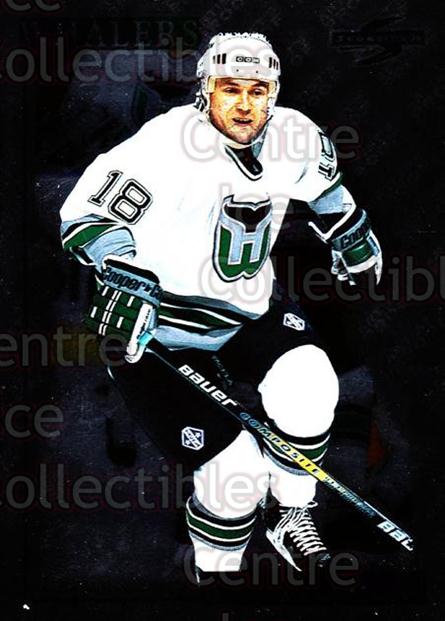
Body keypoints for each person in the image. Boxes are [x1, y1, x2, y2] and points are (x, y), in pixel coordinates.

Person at [59, 32, 382, 581]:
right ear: (205, 90)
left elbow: (323, 186)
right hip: (157, 331)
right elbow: (85, 218)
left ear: (273, 93)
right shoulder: (164, 146)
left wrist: (348, 230)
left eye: (258, 90)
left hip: (244, 313)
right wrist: (122, 271)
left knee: (310, 384)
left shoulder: (294, 134)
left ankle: (291, 512)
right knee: (236, 476)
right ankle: (217, 572)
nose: (245, 104)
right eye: (230, 88)